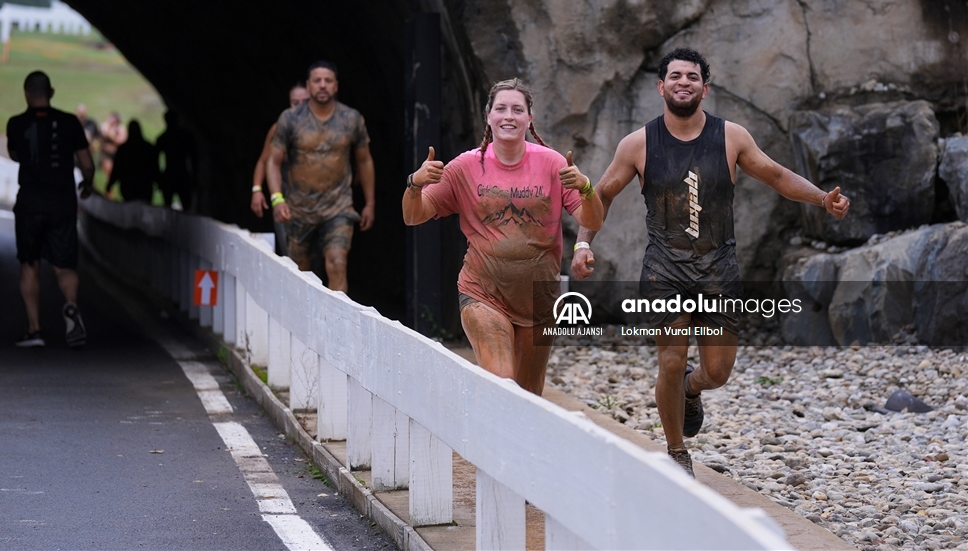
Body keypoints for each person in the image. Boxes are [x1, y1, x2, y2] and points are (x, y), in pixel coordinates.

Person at [571, 47, 850, 476]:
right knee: (670, 359)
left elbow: (776, 175)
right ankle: (677, 451)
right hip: (665, 271)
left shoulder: (732, 137)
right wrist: (583, 244)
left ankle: (691, 389)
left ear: (705, 88)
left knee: (717, 371)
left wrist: (821, 198)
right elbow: (601, 196)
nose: (684, 82)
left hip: (719, 271)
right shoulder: (638, 144)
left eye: (693, 77)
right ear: (661, 86)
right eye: (676, 76)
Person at [403, 78, 604, 395]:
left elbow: (591, 218)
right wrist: (415, 183)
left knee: (528, 395)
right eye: (501, 109)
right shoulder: (464, 167)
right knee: (503, 385)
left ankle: (508, 444)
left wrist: (586, 187)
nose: (509, 116)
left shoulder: (553, 163)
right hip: (483, 291)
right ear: (488, 116)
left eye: (517, 109)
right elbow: (413, 216)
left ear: (529, 118)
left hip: (540, 299)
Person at [266, 62, 373, 292]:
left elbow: (364, 161)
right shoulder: (290, 119)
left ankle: (337, 325)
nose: (322, 85)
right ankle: (302, 325)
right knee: (301, 272)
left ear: (336, 86)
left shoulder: (351, 119)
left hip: (338, 207)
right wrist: (277, 198)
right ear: (309, 85)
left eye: (328, 80)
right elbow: (273, 161)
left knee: (337, 262)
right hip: (299, 209)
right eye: (317, 80)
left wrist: (370, 203)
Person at [6, 70, 94, 348]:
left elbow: (15, 154)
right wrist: (88, 185)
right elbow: (87, 164)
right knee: (65, 265)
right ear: (51, 92)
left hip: (30, 203)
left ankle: (35, 330)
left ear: (26, 94)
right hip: (62, 202)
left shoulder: (16, 124)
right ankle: (70, 304)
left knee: (29, 265)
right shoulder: (69, 122)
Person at [250, 83, 310, 256]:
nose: (300, 107)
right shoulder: (279, 129)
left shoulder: (330, 128)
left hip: (319, 202)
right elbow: (264, 161)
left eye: (305, 101)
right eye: (295, 102)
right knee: (291, 253)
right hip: (285, 199)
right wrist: (257, 190)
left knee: (320, 257)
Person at [105, 120, 159, 203]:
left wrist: (110, 184)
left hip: (128, 185)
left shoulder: (123, 149)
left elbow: (117, 168)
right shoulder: (148, 147)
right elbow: (154, 166)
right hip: (145, 185)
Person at [155, 110, 198, 211]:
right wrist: (194, 176)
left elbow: (154, 159)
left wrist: (158, 177)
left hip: (170, 174)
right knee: (187, 207)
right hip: (183, 175)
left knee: (168, 207)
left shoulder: (163, 138)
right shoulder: (186, 137)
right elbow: (193, 158)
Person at [97, 111, 127, 193]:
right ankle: (109, 193)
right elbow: (99, 140)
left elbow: (122, 141)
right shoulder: (103, 127)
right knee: (109, 172)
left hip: (117, 155)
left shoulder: (121, 129)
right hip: (105, 155)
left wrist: (111, 135)